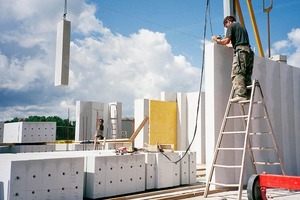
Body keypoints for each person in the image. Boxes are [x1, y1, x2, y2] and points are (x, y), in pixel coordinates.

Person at [212, 15, 254, 103]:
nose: (227, 28)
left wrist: (216, 40)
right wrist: (226, 45)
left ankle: (241, 95)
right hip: (248, 52)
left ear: (228, 21)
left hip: (241, 52)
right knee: (246, 75)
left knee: (237, 73)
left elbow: (226, 40)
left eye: (226, 26)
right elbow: (235, 43)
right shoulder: (242, 27)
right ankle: (248, 96)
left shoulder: (231, 26)